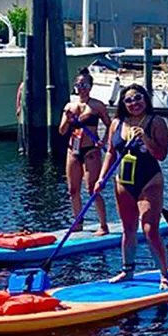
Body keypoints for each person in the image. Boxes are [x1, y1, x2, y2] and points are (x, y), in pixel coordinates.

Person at [98, 84, 168, 290]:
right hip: (123, 181)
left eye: (138, 98)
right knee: (128, 228)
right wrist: (101, 178)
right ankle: (127, 270)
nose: (134, 103)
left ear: (145, 99)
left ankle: (164, 275)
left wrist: (146, 139)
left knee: (150, 230)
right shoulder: (116, 123)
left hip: (150, 180)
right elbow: (111, 153)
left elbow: (161, 155)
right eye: (129, 100)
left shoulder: (156, 122)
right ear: (123, 104)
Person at [59, 68, 112, 235]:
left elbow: (111, 126)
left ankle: (103, 224)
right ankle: (78, 222)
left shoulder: (97, 105)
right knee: (73, 189)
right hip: (73, 150)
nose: (81, 88)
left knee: (92, 188)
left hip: (91, 150)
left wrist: (103, 141)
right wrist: (68, 119)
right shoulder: (69, 106)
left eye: (84, 85)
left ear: (90, 87)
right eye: (78, 85)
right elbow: (61, 131)